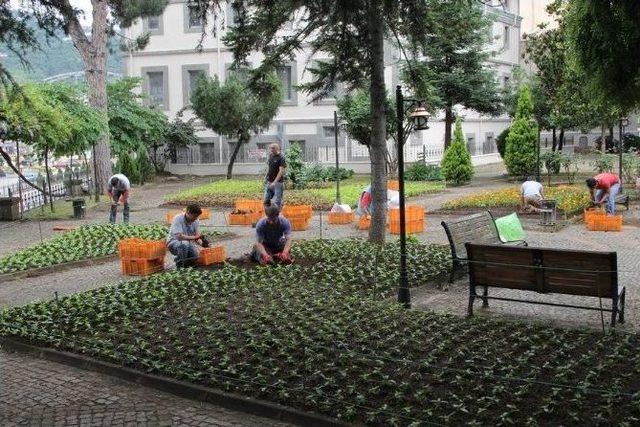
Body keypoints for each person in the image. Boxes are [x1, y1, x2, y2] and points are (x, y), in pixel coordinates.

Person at [264, 143, 286, 209]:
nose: (271, 149)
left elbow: (281, 171)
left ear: (277, 148)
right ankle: (268, 214)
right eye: (270, 148)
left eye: (273, 148)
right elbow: (269, 167)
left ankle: (277, 215)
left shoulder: (281, 157)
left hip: (278, 183)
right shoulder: (270, 156)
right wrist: (266, 176)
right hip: (269, 182)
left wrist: (275, 182)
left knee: (277, 201)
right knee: (266, 200)